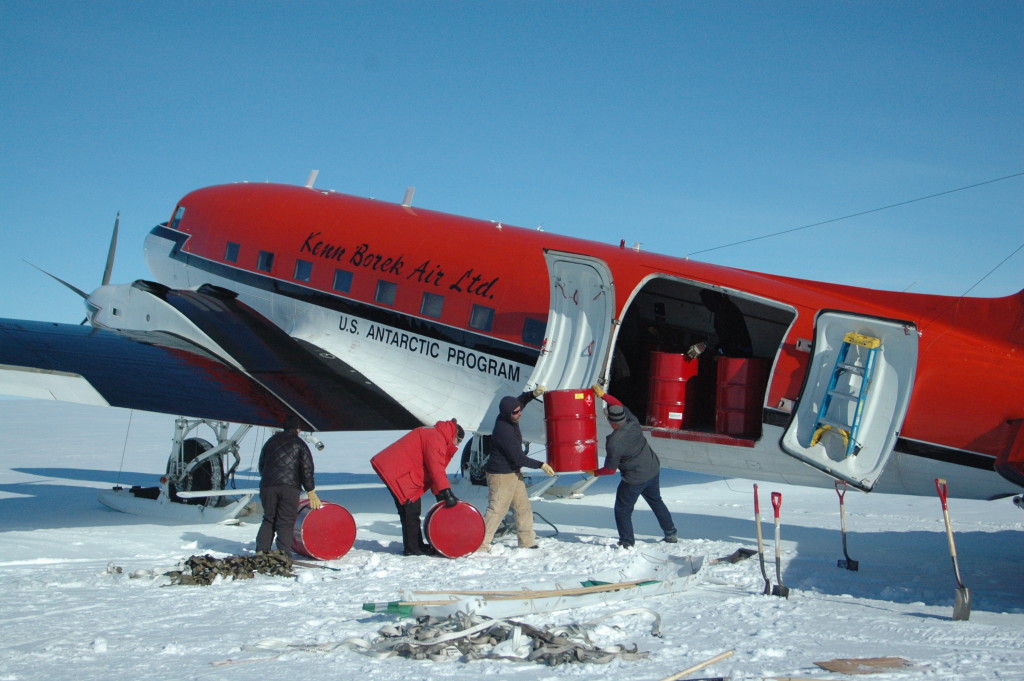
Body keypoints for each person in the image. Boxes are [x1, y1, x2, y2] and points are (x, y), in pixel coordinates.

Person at [590, 384, 678, 548]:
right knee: (656, 501)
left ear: (610, 421)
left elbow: (609, 470)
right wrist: (603, 395)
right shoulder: (632, 421)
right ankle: (670, 533)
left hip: (634, 479)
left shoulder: (614, 442)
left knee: (622, 511)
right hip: (652, 468)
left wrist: (594, 472)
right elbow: (618, 404)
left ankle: (627, 542)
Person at [477, 387, 555, 552]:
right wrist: (541, 465)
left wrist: (533, 394)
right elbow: (518, 458)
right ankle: (480, 544)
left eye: (519, 411)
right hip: (500, 476)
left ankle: (526, 541)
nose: (520, 414)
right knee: (497, 510)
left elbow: (520, 401)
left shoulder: (509, 414)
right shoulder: (504, 431)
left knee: (523, 506)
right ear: (507, 414)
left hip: (513, 473)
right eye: (515, 412)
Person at [371, 419, 464, 556]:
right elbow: (436, 468)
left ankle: (414, 545)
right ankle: (413, 548)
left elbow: (434, 472)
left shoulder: (436, 434)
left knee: (408, 510)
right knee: (411, 511)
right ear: (454, 435)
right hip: (398, 472)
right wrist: (447, 492)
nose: (458, 445)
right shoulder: (436, 438)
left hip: (398, 471)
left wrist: (440, 493)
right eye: (459, 441)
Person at [256, 415, 321, 557]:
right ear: (298, 429)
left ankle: (261, 552)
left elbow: (262, 465)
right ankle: (282, 554)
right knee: (285, 521)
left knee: (269, 518)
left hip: (268, 486)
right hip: (289, 488)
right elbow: (307, 469)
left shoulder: (270, 442)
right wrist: (310, 490)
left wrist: (269, 479)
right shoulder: (299, 444)